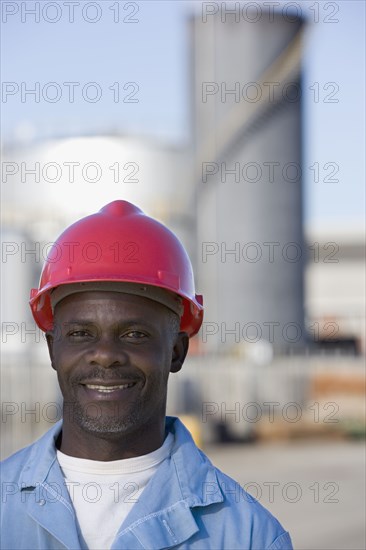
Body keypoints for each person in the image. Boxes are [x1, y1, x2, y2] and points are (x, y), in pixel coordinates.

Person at [1, 200, 293, 549]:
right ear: (52, 348)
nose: (105, 355)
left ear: (177, 351)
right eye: (81, 334)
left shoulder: (248, 536)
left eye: (135, 334)